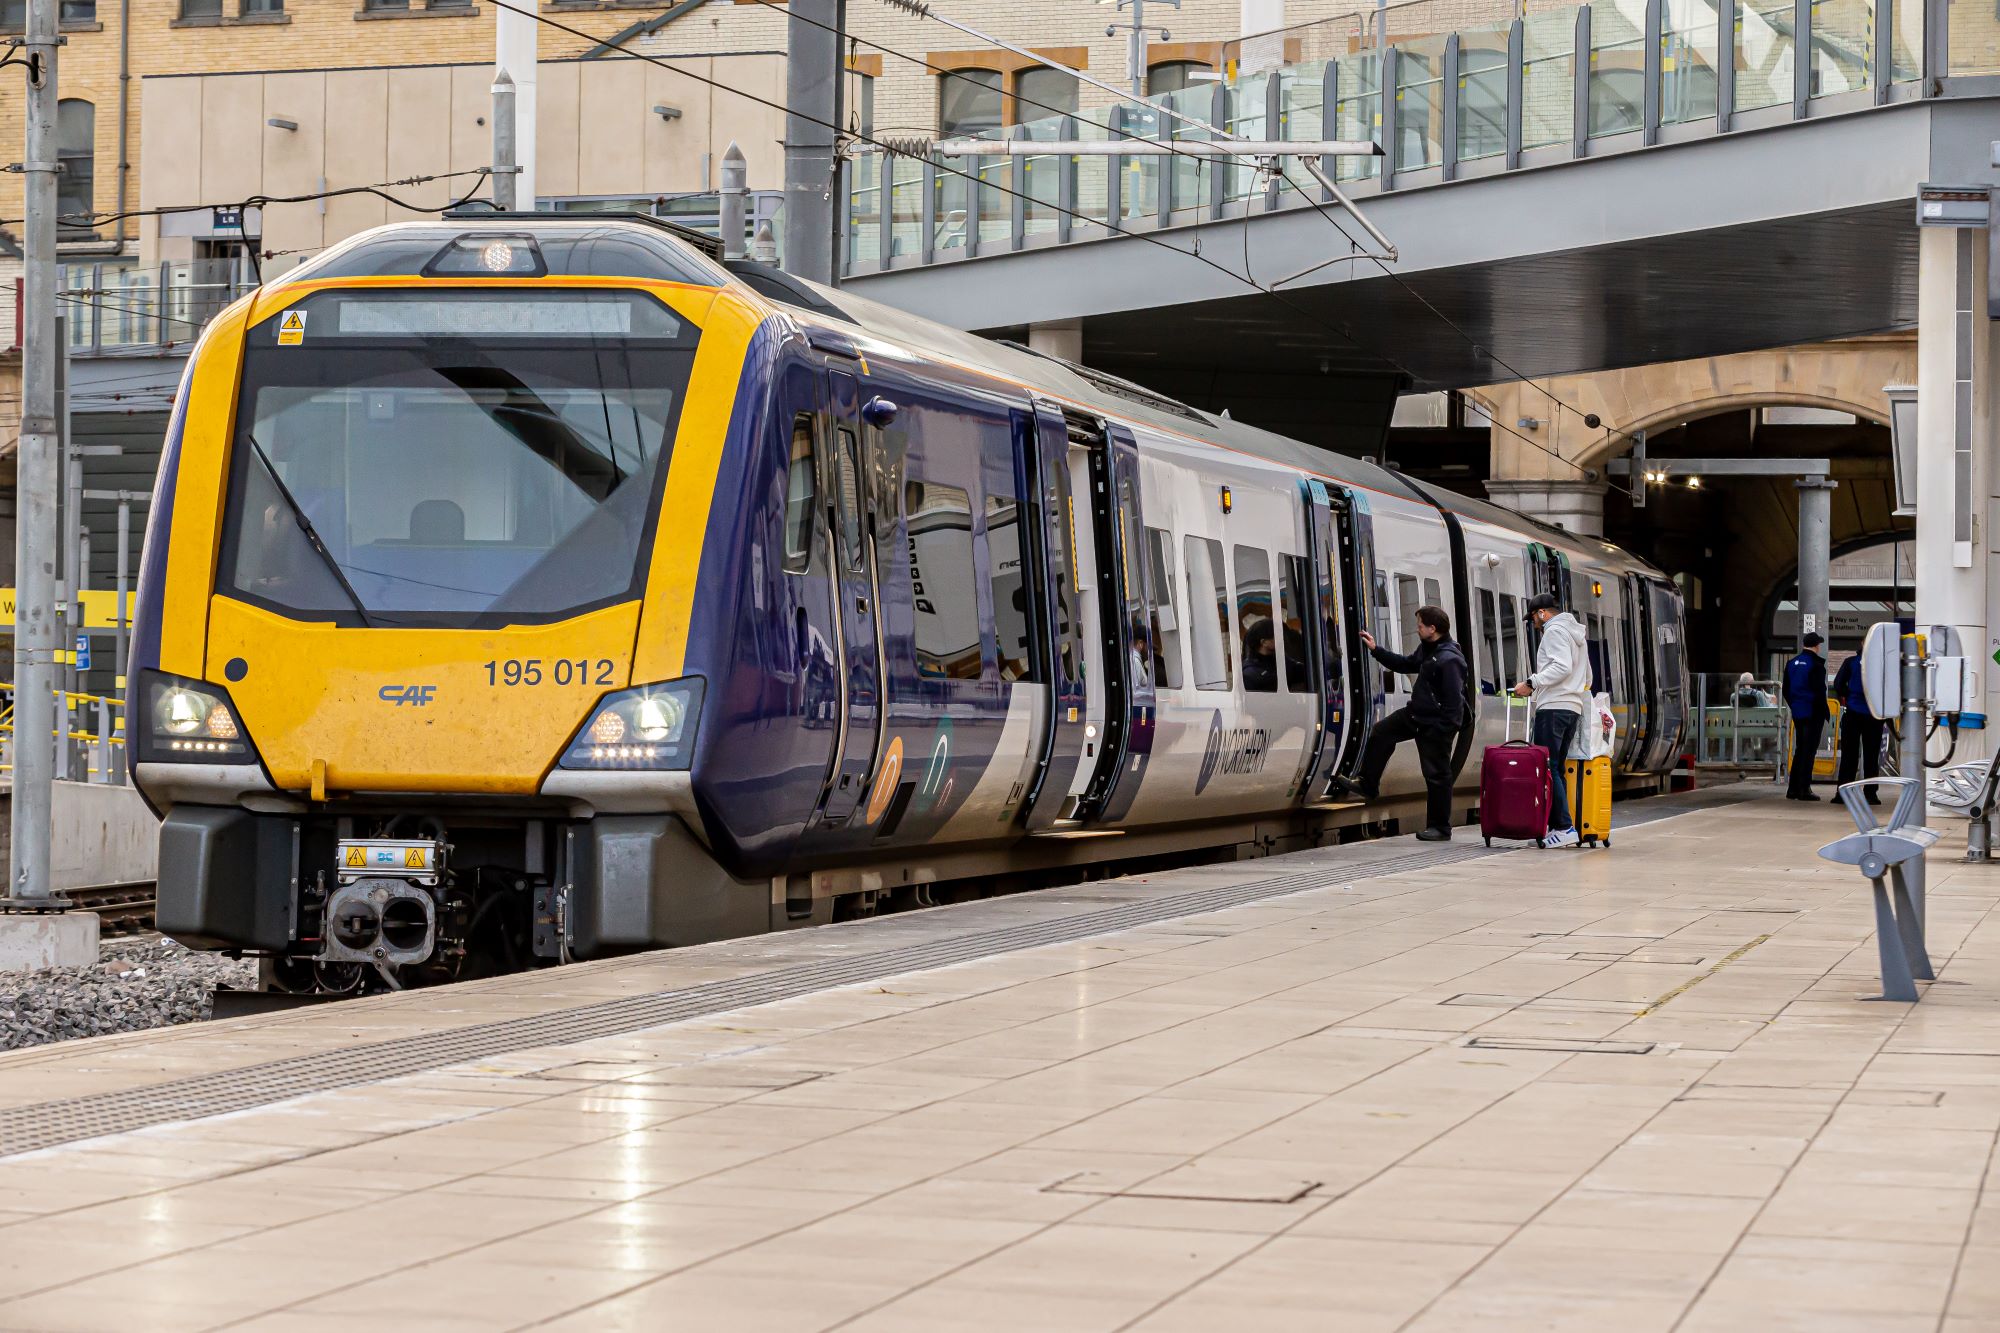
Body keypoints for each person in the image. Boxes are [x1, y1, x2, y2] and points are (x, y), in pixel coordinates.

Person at [1329, 605, 1467, 840]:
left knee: (1437, 775)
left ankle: (1440, 828)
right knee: (1381, 732)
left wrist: (1444, 729)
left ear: (1432, 629)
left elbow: (1455, 700)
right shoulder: (1429, 649)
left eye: (1420, 626)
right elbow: (1405, 664)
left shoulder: (1449, 658)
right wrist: (1376, 650)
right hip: (1416, 714)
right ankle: (1367, 784)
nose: (1418, 629)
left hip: (1435, 723)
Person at [1511, 593, 1591, 848]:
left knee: (1547, 767)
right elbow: (1586, 674)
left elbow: (1562, 666)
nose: (1534, 623)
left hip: (1554, 707)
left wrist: (1531, 683)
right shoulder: (1576, 634)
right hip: (1572, 707)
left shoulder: (1554, 631)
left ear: (1542, 613)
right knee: (1555, 768)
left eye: (1534, 617)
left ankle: (1564, 827)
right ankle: (1559, 826)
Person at [1781, 632, 1831, 800]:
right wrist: (1824, 711)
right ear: (1816, 646)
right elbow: (1819, 691)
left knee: (1800, 749)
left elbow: (1786, 690)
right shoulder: (1816, 665)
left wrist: (1794, 705)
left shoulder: (1791, 663)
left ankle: (1792, 788)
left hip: (1798, 711)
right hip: (1812, 712)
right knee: (1809, 751)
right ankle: (1804, 788)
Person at [1830, 651, 1883, 806]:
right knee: (1871, 756)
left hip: (1853, 713)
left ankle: (1843, 793)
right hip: (1874, 714)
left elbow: (1838, 684)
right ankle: (1871, 794)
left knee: (1849, 755)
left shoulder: (1851, 662)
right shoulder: (1881, 663)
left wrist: (1850, 695)